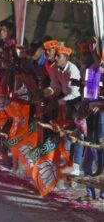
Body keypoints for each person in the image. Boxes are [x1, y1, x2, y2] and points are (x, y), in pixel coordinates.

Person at [43, 45, 84, 176]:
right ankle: (66, 163)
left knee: (78, 133)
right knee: (66, 132)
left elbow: (75, 93)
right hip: (66, 102)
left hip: (77, 103)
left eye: (58, 56)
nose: (55, 57)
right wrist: (44, 93)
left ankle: (76, 166)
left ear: (66, 58)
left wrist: (57, 103)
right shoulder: (56, 68)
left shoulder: (73, 70)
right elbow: (55, 85)